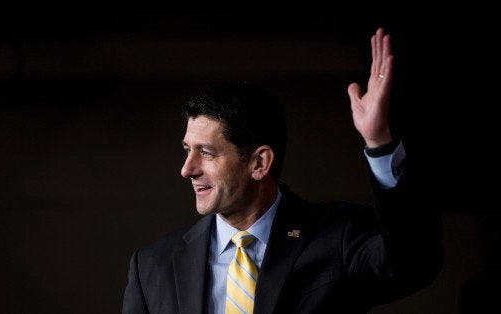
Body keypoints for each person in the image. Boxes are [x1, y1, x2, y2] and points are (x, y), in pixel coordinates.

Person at [122, 28, 442, 313]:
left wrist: (378, 142)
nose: (186, 169)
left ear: (259, 163)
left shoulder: (338, 238)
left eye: (206, 153)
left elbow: (413, 265)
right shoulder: (153, 265)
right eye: (187, 150)